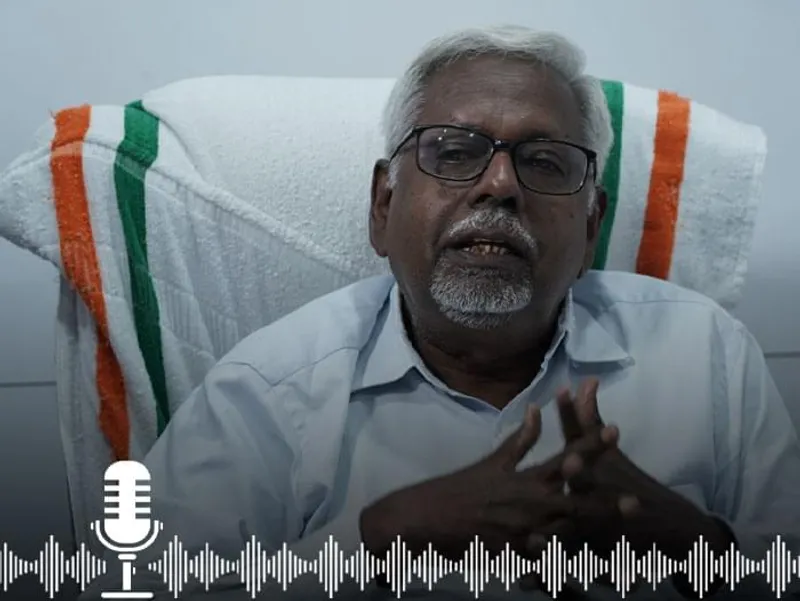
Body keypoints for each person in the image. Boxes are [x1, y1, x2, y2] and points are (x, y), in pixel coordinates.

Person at [82, 25, 800, 600]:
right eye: (454, 152)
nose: (500, 185)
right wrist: (374, 542)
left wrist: (699, 548)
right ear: (383, 206)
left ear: (590, 228)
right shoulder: (270, 391)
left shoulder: (705, 356)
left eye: (544, 161)